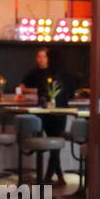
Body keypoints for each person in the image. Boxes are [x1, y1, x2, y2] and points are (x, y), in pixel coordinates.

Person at [22, 46, 72, 184]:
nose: (43, 59)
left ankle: (48, 177)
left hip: (50, 113)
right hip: (60, 112)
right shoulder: (62, 74)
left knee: (54, 144)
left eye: (46, 57)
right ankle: (58, 177)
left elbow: (43, 94)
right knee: (54, 144)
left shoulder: (50, 75)